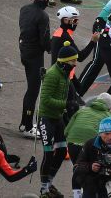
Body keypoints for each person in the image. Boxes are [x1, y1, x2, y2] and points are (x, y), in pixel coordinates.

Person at [37, 43, 79, 196]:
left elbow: (69, 93)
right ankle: (43, 189)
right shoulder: (53, 74)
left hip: (58, 117)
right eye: (72, 61)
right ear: (64, 62)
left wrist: (73, 103)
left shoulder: (64, 74)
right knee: (48, 154)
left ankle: (49, 183)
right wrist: (66, 104)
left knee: (61, 151)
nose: (75, 64)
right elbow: (46, 100)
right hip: (46, 118)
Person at [66, 94, 111, 198]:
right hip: (90, 146)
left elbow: (66, 131)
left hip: (72, 145)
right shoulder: (108, 117)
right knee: (91, 172)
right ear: (109, 107)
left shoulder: (82, 111)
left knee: (78, 168)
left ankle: (76, 195)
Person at [18, 0, 54, 136]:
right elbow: (44, 41)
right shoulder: (43, 16)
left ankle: (24, 123)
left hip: (24, 52)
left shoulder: (24, 9)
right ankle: (26, 126)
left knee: (31, 90)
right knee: (33, 91)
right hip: (35, 57)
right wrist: (53, 47)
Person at [73, 117, 111, 198]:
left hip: (108, 184)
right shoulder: (90, 144)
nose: (110, 137)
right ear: (100, 133)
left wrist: (110, 172)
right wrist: (90, 167)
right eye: (106, 134)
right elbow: (76, 167)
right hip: (89, 183)